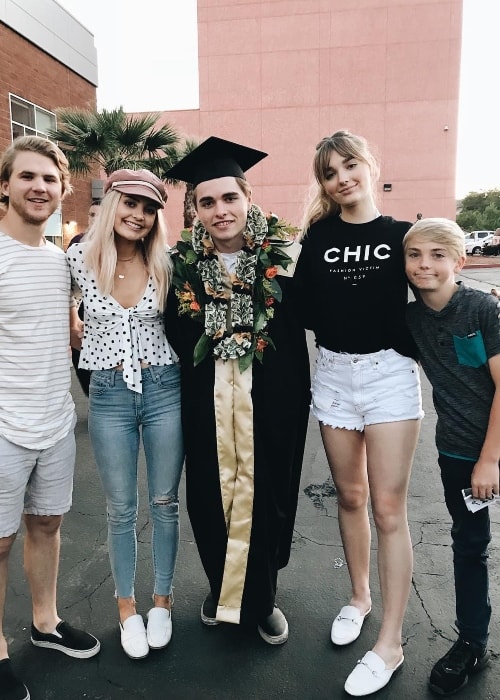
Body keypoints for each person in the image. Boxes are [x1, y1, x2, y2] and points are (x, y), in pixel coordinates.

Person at [163, 137, 310, 645]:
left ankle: (262, 598)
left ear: (248, 199)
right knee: (209, 494)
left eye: (230, 198)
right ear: (195, 210)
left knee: (266, 493)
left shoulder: (285, 261)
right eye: (207, 201)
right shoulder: (182, 269)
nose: (220, 210)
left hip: (271, 402)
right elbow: (173, 334)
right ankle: (219, 586)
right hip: (206, 405)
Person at [295, 130, 423, 696]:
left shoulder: (401, 236)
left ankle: (390, 642)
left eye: (350, 165)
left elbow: (437, 294)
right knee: (351, 496)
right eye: (330, 173)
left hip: (389, 374)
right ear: (323, 183)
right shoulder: (316, 239)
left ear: (370, 164)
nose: (342, 178)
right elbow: (296, 305)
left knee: (389, 509)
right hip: (334, 374)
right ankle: (359, 597)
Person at [66, 169, 184, 660]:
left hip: (163, 388)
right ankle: (125, 608)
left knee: (164, 503)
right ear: (112, 203)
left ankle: (162, 602)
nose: (138, 215)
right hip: (110, 391)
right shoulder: (76, 259)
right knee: (120, 509)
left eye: (149, 207)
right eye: (130, 203)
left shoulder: (168, 263)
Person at [0, 136, 100, 700]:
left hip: (57, 421)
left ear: (63, 190)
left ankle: (45, 623)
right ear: (6, 186)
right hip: (2, 427)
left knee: (46, 525)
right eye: (27, 177)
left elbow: (68, 328)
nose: (39, 187)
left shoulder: (62, 262)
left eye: (49, 179)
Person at [404, 217, 500, 697]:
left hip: (490, 451)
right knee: (470, 543)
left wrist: (490, 459)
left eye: (438, 255)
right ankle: (472, 641)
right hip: (456, 453)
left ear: (459, 261)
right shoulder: (412, 320)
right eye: (415, 255)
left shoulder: (482, 309)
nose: (425, 265)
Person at [67, 200, 101, 396]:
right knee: (80, 354)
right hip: (82, 305)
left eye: (99, 215)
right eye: (91, 214)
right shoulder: (77, 243)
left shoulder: (116, 243)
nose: (94, 219)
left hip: (100, 305)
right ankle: (90, 395)